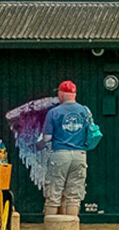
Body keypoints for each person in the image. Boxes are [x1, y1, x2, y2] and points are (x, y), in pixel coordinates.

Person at [39, 80, 92, 218]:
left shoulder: (53, 112)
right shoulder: (85, 111)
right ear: (74, 94)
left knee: (54, 193)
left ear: (61, 94)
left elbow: (47, 138)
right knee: (74, 196)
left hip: (60, 154)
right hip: (80, 155)